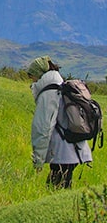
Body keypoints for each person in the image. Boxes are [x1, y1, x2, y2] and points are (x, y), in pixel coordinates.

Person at [28, 55, 92, 188]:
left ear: (38, 74)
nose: (31, 80)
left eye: (31, 76)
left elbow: (43, 128)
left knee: (54, 189)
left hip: (63, 152)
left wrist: (38, 160)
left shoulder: (49, 93)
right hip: (74, 149)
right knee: (61, 187)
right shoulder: (60, 86)